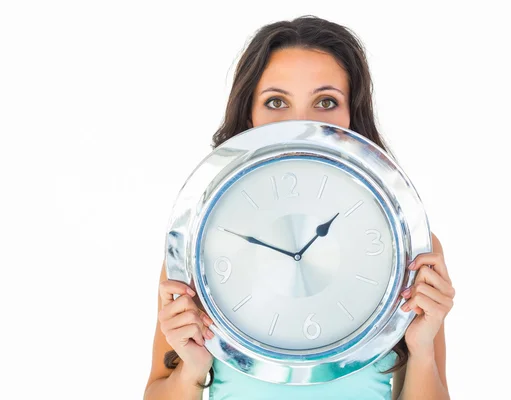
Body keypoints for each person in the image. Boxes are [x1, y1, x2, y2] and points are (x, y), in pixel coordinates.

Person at [144, 15, 455, 400]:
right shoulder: (195, 247)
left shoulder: (411, 249)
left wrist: (422, 349)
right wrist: (192, 367)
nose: (301, 125)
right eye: (276, 102)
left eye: (326, 102)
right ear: (249, 116)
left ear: (351, 116)